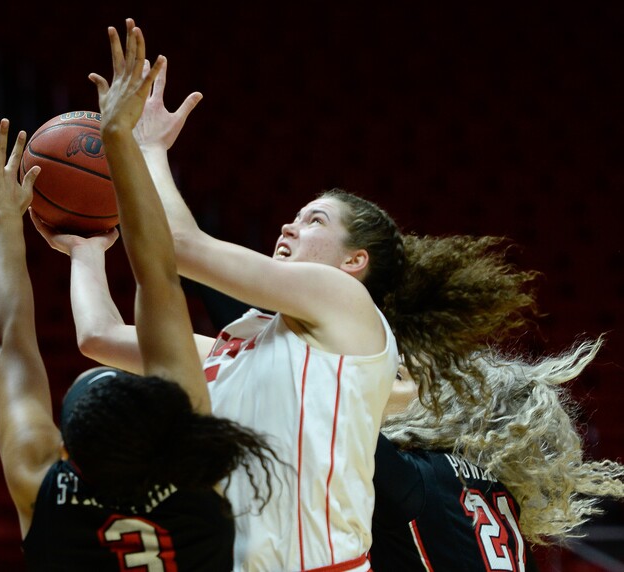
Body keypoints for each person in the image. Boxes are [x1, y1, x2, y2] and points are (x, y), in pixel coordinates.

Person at [32, 27, 540, 572]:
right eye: (294, 215)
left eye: (313, 220)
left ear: (354, 261)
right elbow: (99, 337)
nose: (288, 225)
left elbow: (177, 247)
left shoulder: (345, 303)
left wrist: (148, 148)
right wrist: (84, 247)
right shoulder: (241, 346)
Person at [0, 23, 278, 572]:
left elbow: (11, 344)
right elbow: (158, 277)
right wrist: (122, 141)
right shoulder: (194, 473)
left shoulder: (46, 489)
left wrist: (3, 220)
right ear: (168, 428)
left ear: (66, 451)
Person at [371, 338, 624, 571]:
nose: (372, 377)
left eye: (396, 375)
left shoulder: (417, 478)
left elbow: (343, 406)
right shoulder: (494, 493)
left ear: (436, 414)